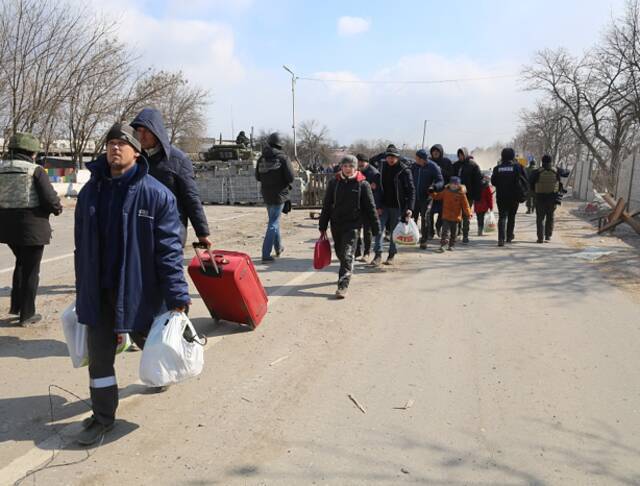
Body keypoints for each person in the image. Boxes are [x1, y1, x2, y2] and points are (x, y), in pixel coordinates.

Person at [74, 123, 190, 445]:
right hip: (100, 292)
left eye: (122, 144)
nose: (114, 149)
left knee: (150, 342)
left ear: (136, 152)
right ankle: (102, 417)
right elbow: (80, 246)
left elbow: (169, 251)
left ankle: (161, 375)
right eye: (110, 143)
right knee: (99, 358)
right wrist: (81, 287)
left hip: (141, 292)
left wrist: (178, 297)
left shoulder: (157, 195)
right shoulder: (89, 193)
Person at [0, 133, 62, 326]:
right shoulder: (35, 170)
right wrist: (57, 208)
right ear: (31, 152)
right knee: (31, 270)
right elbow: (49, 198)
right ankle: (27, 315)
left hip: (6, 227)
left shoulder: (1, 169)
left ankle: (16, 306)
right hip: (32, 227)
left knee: (21, 262)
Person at [130, 108, 211, 247]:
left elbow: (190, 197)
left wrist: (202, 232)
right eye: (139, 131)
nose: (142, 136)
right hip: (139, 230)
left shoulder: (178, 160)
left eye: (146, 131)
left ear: (156, 132)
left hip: (170, 230)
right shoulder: (133, 158)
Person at [319, 155, 380, 299]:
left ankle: (342, 286)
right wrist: (323, 224)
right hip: (336, 224)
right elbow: (327, 205)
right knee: (340, 253)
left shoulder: (362, 184)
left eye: (351, 166)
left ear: (356, 167)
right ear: (341, 167)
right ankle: (346, 269)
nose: (347, 169)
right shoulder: (334, 182)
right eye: (345, 166)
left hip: (353, 225)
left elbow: (371, 207)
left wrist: (376, 227)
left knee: (347, 255)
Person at [371, 145, 415, 266]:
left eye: (393, 157)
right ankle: (377, 255)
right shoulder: (382, 167)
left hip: (398, 206)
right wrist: (377, 205)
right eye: (388, 157)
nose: (390, 159)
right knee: (378, 230)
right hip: (383, 205)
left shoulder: (404, 170)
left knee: (394, 233)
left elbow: (411, 190)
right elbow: (378, 188)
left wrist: (410, 208)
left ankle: (391, 254)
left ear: (397, 157)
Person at [255, 132, 295, 262]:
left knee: (274, 220)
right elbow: (291, 177)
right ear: (280, 144)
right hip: (279, 195)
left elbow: (257, 177)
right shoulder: (283, 158)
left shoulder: (261, 158)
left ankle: (278, 248)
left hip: (266, 194)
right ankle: (266, 254)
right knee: (273, 223)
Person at [491, 148, 528, 247]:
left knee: (502, 217)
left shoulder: (497, 168)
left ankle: (500, 239)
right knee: (511, 217)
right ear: (512, 156)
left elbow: (493, 182)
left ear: (502, 156)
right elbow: (525, 180)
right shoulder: (518, 167)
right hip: (514, 196)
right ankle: (509, 237)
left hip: (501, 196)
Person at [410, 149, 444, 249]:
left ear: (423, 159)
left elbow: (440, 181)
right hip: (414, 197)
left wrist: (434, 187)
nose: (415, 160)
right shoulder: (414, 166)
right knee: (412, 218)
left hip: (427, 197)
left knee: (425, 218)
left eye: (417, 158)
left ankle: (424, 240)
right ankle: (413, 237)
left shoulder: (433, 166)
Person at [429, 176, 472, 252]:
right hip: (446, 216)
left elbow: (466, 205)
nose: (454, 185)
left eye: (456, 184)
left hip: (456, 217)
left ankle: (451, 245)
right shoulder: (446, 191)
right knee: (445, 232)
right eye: (452, 184)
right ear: (449, 184)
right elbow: (437, 196)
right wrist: (431, 192)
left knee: (453, 233)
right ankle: (443, 245)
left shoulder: (461, 194)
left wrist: (468, 214)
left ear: (459, 185)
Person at [452, 147, 482, 244]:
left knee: (466, 215)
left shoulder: (473, 165)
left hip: (468, 195)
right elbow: (451, 177)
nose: (460, 157)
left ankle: (465, 235)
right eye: (459, 155)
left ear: (465, 154)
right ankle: (456, 234)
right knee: (456, 215)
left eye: (462, 155)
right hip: (456, 194)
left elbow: (478, 181)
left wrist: (477, 196)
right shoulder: (456, 165)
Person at [529, 154, 561, 243]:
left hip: (540, 198)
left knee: (540, 218)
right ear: (551, 162)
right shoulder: (556, 171)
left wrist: (533, 193)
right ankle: (548, 236)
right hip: (552, 198)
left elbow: (531, 183)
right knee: (550, 217)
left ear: (542, 162)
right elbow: (560, 182)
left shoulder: (537, 172)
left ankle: (540, 238)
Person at [355, 153, 380, 261]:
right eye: (358, 162)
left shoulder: (374, 173)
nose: (359, 164)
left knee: (367, 230)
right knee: (356, 229)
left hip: (369, 205)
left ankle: (366, 252)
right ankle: (356, 252)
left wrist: (377, 207)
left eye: (361, 162)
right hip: (357, 205)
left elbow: (377, 192)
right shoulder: (356, 172)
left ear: (366, 162)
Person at [428, 144, 453, 238]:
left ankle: (438, 226)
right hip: (431, 191)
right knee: (429, 212)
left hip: (443, 191)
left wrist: (441, 170)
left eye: (437, 151)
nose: (435, 153)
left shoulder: (446, 161)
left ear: (441, 152)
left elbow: (451, 174)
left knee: (442, 212)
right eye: (433, 151)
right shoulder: (428, 161)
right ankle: (430, 231)